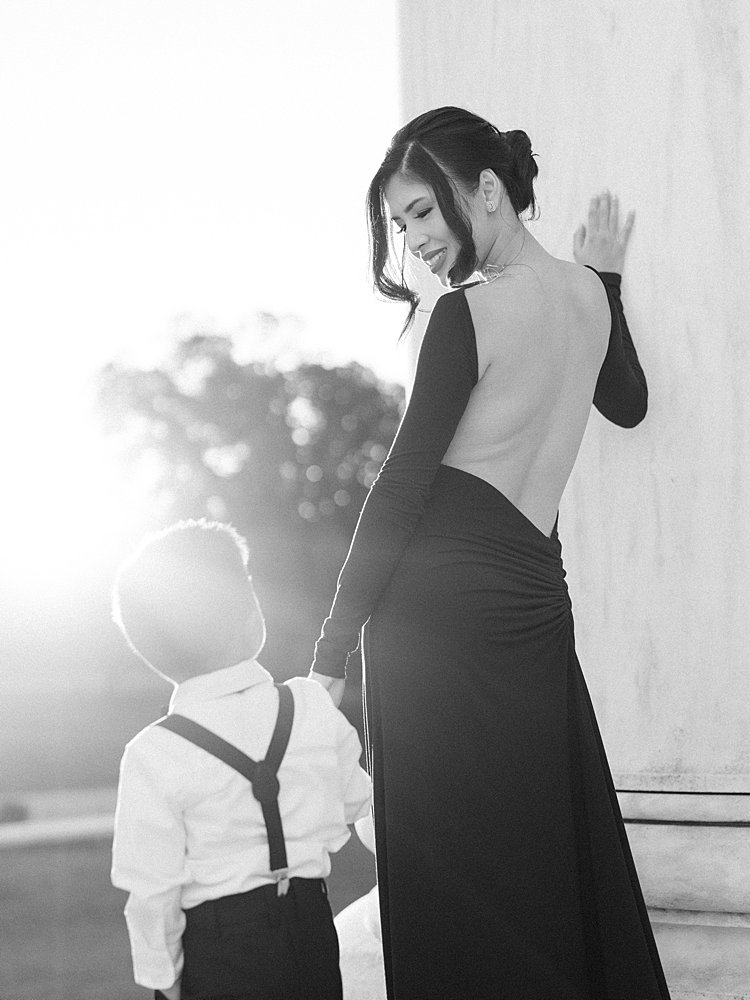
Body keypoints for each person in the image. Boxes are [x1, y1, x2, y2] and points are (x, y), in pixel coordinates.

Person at [310, 107, 671, 999]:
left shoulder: (466, 316)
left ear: (489, 192)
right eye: (401, 227)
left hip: (435, 615)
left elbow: (399, 488)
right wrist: (609, 283)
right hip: (530, 605)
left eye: (423, 214)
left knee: (451, 876)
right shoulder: (588, 297)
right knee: (543, 850)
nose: (415, 243)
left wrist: (327, 655)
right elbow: (627, 403)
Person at [110, 518, 371, 1000]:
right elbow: (363, 805)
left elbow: (152, 892)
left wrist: (165, 981)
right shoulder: (308, 707)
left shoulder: (154, 753)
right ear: (252, 613)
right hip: (311, 934)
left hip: (220, 953)